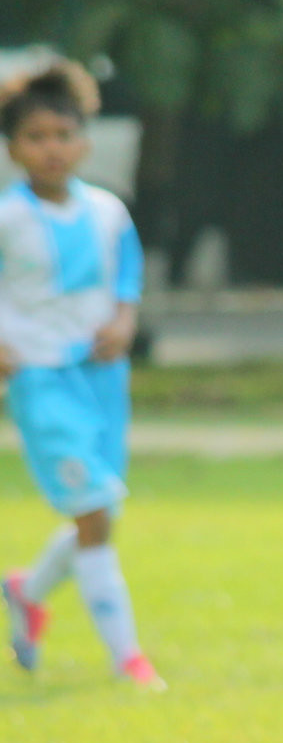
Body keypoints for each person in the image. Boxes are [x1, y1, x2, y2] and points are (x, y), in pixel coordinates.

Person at [0, 62, 161, 690]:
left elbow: (126, 280)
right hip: (42, 376)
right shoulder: (8, 217)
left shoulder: (108, 212)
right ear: (13, 147)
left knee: (100, 508)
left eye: (63, 135)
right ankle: (129, 659)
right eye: (36, 137)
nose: (52, 149)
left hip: (102, 377)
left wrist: (124, 322)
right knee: (95, 511)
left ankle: (25, 591)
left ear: (85, 142)